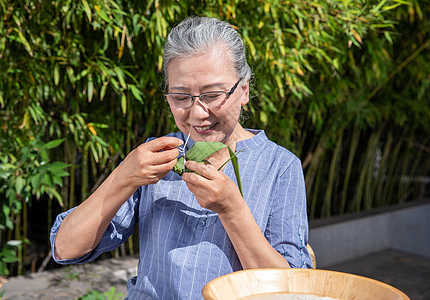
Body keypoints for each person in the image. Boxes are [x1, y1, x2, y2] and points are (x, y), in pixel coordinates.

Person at [50, 16, 312, 299]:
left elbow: (291, 288)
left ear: (244, 90)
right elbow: (66, 248)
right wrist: (125, 175)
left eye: (212, 95)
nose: (197, 113)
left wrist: (231, 209)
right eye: (181, 96)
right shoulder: (157, 156)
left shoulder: (280, 166)